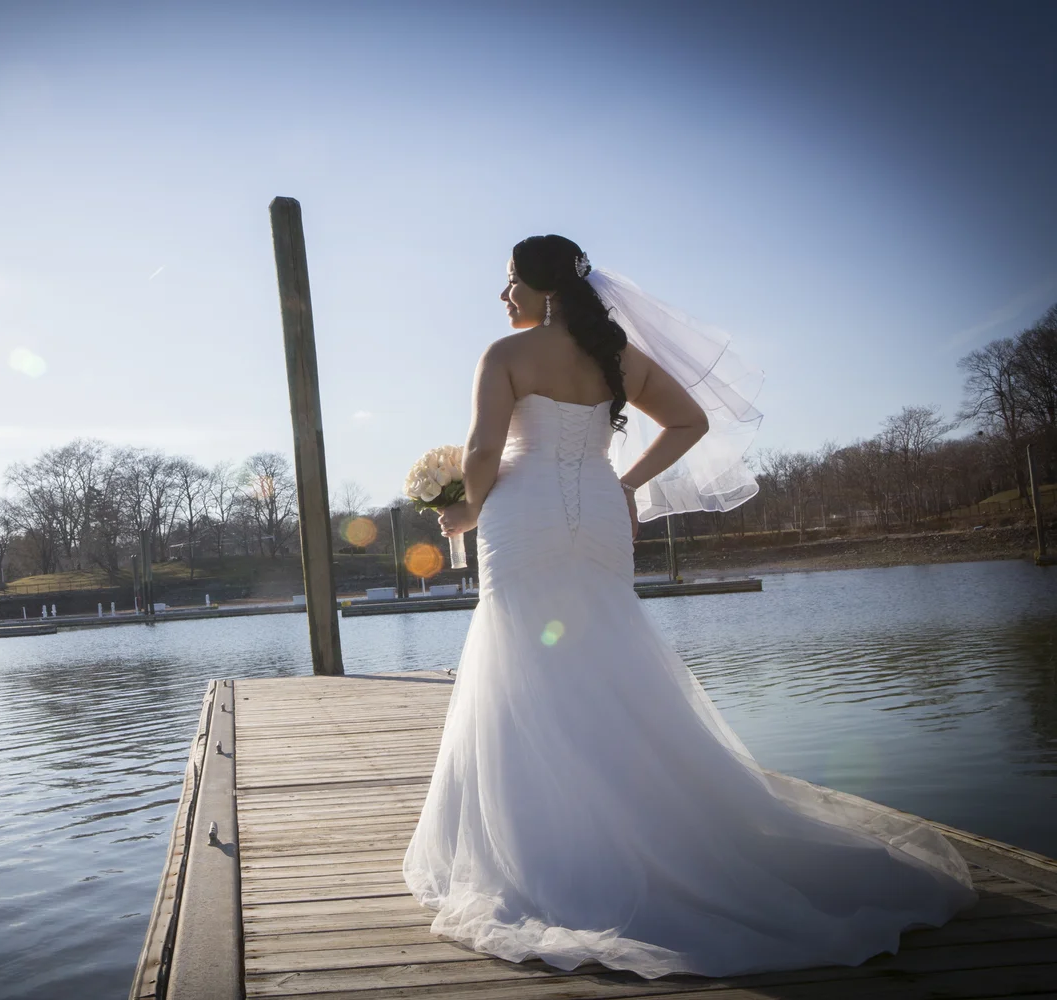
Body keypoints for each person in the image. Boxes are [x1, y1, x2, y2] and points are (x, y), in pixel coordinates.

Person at [402, 234, 977, 978]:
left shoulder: (504, 355)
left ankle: (549, 848)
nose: (502, 295)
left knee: (520, 660)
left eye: (511, 280)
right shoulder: (616, 356)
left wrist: (466, 512)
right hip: (599, 512)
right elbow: (690, 421)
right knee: (608, 653)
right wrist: (625, 483)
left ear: (545, 288)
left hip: (523, 515)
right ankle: (650, 826)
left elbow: (484, 452)